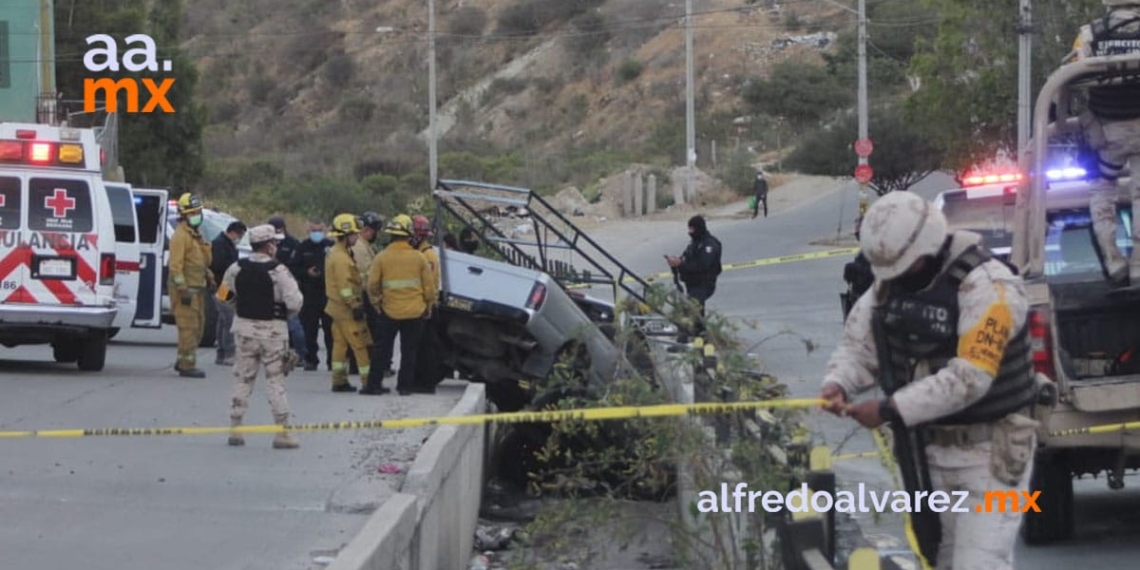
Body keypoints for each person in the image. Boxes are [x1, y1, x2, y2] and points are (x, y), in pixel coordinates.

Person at [818, 191, 1039, 570]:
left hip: (993, 454)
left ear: (927, 248)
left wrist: (890, 408)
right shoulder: (890, 288)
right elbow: (860, 346)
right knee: (940, 561)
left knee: (980, 564)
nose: (897, 277)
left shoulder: (991, 288)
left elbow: (971, 376)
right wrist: (838, 382)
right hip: (926, 454)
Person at [1064, 0, 1140, 286]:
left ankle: (1112, 257)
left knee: (1101, 189)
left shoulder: (1090, 34)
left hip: (1108, 133)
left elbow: (1071, 74)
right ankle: (1138, 264)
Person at [218, 224, 303, 449]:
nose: (276, 246)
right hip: (273, 333)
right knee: (275, 380)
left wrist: (238, 306)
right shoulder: (279, 271)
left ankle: (236, 429)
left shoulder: (236, 268)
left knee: (243, 378)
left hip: (244, 330)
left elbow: (222, 294)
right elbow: (295, 302)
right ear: (268, 245)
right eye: (274, 242)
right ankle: (282, 432)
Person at [367, 214, 437, 396]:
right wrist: (428, 306)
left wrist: (377, 304)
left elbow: (372, 285)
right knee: (409, 352)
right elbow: (429, 287)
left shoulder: (381, 257)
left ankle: (374, 385)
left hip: (389, 311)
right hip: (415, 312)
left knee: (381, 350)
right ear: (409, 235)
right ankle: (404, 386)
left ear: (391, 235)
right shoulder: (419, 258)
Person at [324, 214, 373, 393]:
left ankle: (339, 380)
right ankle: (368, 382)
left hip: (336, 308)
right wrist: (355, 305)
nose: (356, 237)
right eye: (354, 234)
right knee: (359, 344)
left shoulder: (338, 253)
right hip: (346, 309)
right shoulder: (342, 258)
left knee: (340, 345)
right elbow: (345, 287)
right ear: (345, 235)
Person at [168, 193, 213, 378]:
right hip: (186, 293)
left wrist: (209, 276)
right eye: (193, 213)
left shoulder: (195, 236)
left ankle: (182, 360)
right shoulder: (180, 236)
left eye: (198, 212)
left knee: (198, 328)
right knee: (188, 329)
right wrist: (182, 288)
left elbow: (200, 262)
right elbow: (175, 266)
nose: (197, 215)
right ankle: (187, 365)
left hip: (197, 291)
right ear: (184, 215)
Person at [665, 215, 722, 341]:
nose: (690, 232)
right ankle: (701, 341)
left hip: (704, 284)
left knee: (688, 310)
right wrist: (677, 261)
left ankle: (684, 341)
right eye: (689, 229)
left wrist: (681, 264)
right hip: (692, 284)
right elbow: (685, 257)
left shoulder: (709, 245)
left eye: (692, 229)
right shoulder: (694, 243)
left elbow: (702, 265)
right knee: (697, 317)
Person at [410, 214, 443, 393]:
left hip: (427, 307)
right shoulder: (421, 253)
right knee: (422, 346)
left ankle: (426, 383)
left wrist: (427, 306)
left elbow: (428, 284)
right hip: (423, 306)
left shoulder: (427, 255)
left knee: (425, 347)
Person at [298, 219, 335, 371]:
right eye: (313, 231)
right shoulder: (303, 247)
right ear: (308, 231)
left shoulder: (331, 247)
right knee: (309, 330)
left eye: (319, 230)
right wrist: (306, 272)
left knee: (330, 330)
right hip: (309, 294)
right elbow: (293, 268)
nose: (316, 234)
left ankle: (332, 360)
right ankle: (310, 360)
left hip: (327, 294)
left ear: (325, 230)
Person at [268, 215, 306, 361]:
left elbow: (294, 268)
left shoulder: (292, 243)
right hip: (270, 289)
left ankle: (301, 355)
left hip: (288, 287)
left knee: (294, 324)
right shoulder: (266, 243)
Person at [210, 220, 247, 365]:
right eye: (240, 235)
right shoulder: (220, 244)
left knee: (223, 319)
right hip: (222, 286)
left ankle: (221, 352)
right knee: (229, 319)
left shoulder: (228, 244)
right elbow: (219, 265)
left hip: (226, 286)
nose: (240, 239)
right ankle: (228, 353)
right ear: (233, 232)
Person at [841, 216, 873, 321]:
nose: (857, 232)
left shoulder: (877, 250)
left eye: (859, 229)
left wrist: (857, 269)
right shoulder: (864, 250)